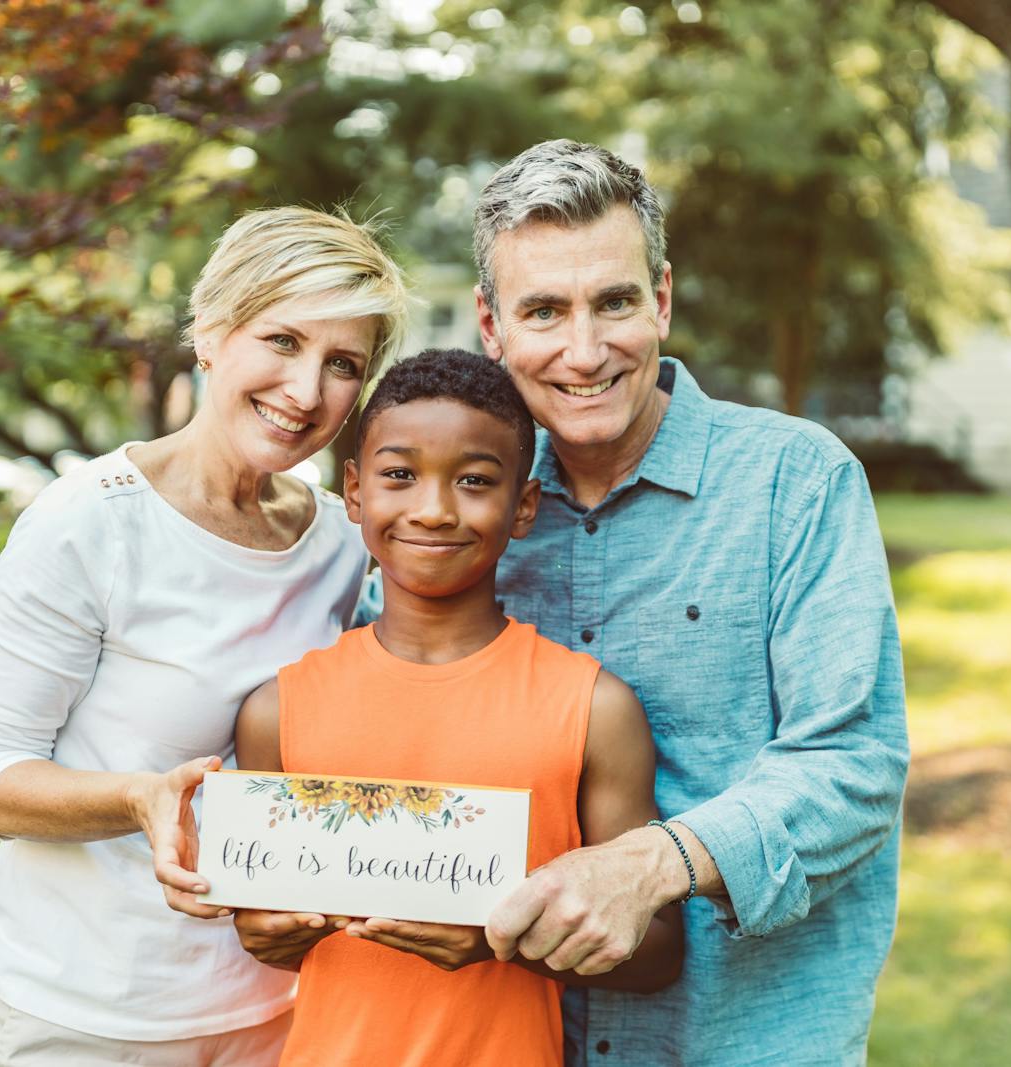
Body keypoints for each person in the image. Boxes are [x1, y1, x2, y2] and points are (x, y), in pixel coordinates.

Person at [0, 206, 409, 1066]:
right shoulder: (88, 524)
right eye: (282, 340)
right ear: (211, 332)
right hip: (81, 1013)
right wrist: (139, 797)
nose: (306, 391)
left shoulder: (344, 544)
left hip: (276, 1011)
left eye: (342, 364)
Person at [473, 141, 909, 1065]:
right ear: (490, 324)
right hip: (516, 1034)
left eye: (615, 302)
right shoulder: (464, 510)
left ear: (661, 299)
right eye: (543, 310)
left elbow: (855, 764)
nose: (584, 351)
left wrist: (647, 865)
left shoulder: (797, 479)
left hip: (746, 1037)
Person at [229, 349, 683, 1067]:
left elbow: (658, 951)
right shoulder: (276, 709)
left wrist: (503, 940)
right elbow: (264, 929)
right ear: (354, 491)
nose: (434, 509)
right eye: (399, 475)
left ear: (524, 506)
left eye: (474, 481)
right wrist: (262, 929)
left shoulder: (593, 708)